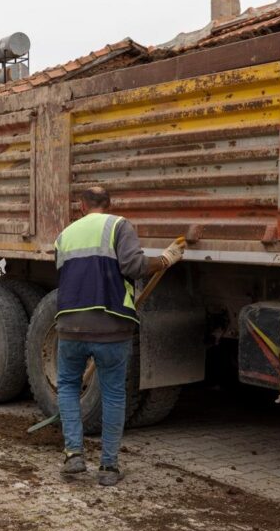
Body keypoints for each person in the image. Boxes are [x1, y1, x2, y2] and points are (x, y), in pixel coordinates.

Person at [53, 187, 185, 486]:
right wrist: (165, 259)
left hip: (70, 325)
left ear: (81, 206)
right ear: (109, 204)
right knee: (113, 394)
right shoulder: (119, 225)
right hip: (111, 325)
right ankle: (109, 468)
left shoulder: (65, 234)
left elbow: (65, 275)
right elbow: (134, 267)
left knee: (68, 387)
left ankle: (73, 454)